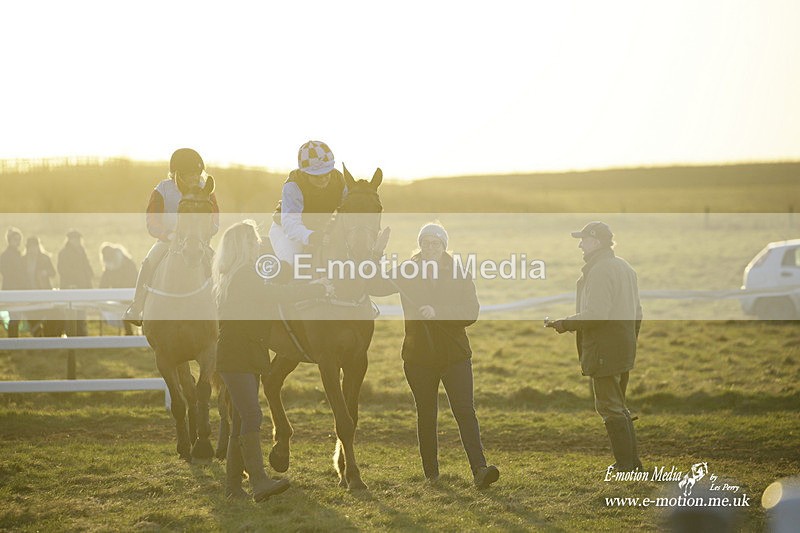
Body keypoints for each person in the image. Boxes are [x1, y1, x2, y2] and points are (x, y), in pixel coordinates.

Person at [368, 222, 500, 488]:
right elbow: (375, 285)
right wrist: (376, 254)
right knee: (426, 414)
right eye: (425, 243)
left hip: (455, 356)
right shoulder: (408, 269)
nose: (430, 248)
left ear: (444, 246)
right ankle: (432, 475)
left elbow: (470, 312)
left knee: (465, 411)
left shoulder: (459, 272)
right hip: (418, 358)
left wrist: (438, 310)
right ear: (420, 244)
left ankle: (480, 470)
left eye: (435, 243)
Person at [213, 220, 333, 501]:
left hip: (244, 354)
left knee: (242, 418)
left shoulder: (239, 274)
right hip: (238, 355)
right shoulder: (245, 275)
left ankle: (233, 487)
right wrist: (315, 288)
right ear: (244, 245)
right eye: (254, 241)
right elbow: (276, 295)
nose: (259, 245)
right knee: (252, 415)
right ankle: (258, 481)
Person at [545, 221, 643, 472]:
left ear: (596, 241)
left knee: (609, 407)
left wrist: (564, 323)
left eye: (584, 240)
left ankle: (625, 467)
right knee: (619, 406)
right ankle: (633, 464)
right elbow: (638, 313)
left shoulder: (600, 270)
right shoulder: (625, 267)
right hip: (623, 347)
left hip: (604, 350)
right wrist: (629, 341)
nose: (580, 244)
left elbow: (597, 313)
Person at [123, 148, 219, 326]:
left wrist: (203, 234)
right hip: (167, 241)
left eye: (197, 173)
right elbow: (152, 221)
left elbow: (214, 220)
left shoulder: (206, 190)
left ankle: (223, 308)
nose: (195, 178)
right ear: (178, 174)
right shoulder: (163, 190)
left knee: (218, 265)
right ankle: (136, 307)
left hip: (198, 242)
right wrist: (167, 234)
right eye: (190, 174)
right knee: (149, 262)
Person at [268, 140, 347, 266]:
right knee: (296, 265)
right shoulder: (293, 185)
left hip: (319, 231)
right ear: (305, 172)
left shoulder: (339, 179)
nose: (323, 178)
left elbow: (349, 210)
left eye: (326, 173)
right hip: (286, 231)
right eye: (317, 175)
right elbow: (290, 225)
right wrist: (312, 236)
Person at [57, 229, 94, 336]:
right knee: (72, 313)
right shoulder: (64, 253)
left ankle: (82, 335)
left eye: (78, 239)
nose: (77, 241)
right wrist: (71, 283)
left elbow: (86, 267)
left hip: (82, 286)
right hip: (71, 287)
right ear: (70, 240)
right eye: (75, 239)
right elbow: (62, 270)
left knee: (81, 312)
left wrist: (89, 279)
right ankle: (73, 336)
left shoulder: (81, 251)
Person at [99, 243, 139, 335]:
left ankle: (129, 332)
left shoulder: (127, 263)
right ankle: (128, 332)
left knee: (124, 309)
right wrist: (100, 291)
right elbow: (105, 280)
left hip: (130, 293)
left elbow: (133, 278)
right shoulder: (111, 263)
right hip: (119, 295)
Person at [23, 236, 58, 336]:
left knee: (47, 314)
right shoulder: (24, 260)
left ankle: (48, 337)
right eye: (31, 247)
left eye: (35, 246)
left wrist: (46, 273)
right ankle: (37, 338)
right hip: (29, 294)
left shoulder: (44, 258)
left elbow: (53, 273)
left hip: (43, 292)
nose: (33, 249)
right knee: (33, 317)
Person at [0, 227, 28, 337]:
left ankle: (14, 340)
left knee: (17, 316)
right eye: (15, 239)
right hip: (11, 288)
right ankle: (13, 341)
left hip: (18, 288)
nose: (17, 242)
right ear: (10, 240)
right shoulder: (6, 256)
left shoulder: (17, 254)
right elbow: (7, 272)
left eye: (19, 239)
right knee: (14, 316)